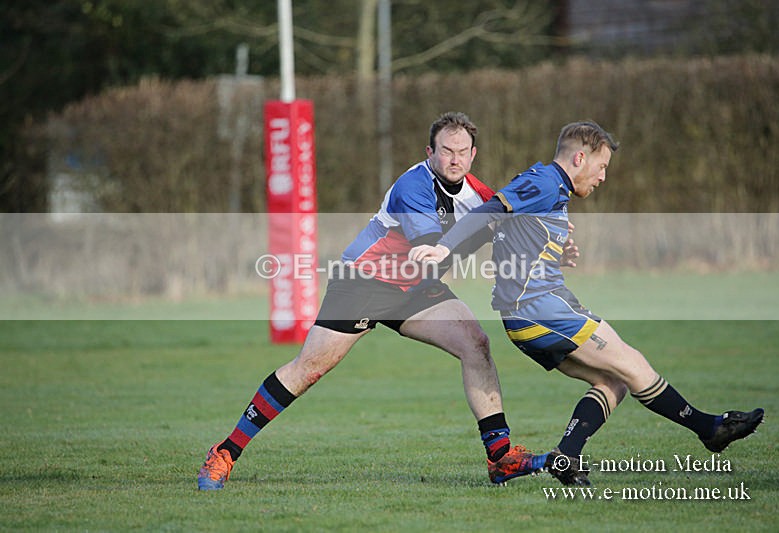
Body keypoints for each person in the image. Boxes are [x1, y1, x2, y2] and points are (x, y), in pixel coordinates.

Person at [198, 112, 555, 490]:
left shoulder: (477, 194)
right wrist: (492, 228)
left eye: (463, 152)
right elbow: (431, 248)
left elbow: (503, 230)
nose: (455, 160)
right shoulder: (413, 186)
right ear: (429, 152)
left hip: (415, 288)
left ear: (473, 154)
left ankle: (500, 459)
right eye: (447, 151)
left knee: (476, 344)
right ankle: (224, 452)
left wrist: (547, 247)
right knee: (308, 370)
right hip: (365, 281)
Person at [409, 120, 764, 486]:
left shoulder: (552, 189)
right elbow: (490, 213)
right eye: (601, 166)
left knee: (613, 382)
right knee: (632, 364)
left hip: (533, 313)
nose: (603, 177)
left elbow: (506, 229)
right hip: (542, 308)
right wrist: (444, 247)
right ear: (580, 157)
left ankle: (567, 456)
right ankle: (710, 428)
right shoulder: (546, 182)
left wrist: (548, 254)